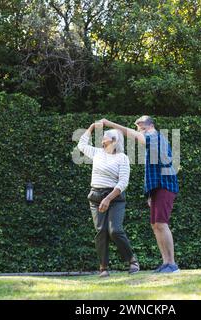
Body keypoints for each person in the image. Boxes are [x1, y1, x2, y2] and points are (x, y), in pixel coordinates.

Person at [100, 116, 180, 273]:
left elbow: (134, 135)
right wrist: (150, 194)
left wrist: (109, 124)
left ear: (148, 126)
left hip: (165, 185)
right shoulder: (153, 140)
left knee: (162, 224)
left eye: (139, 126)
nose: (137, 129)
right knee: (156, 225)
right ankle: (166, 263)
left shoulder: (155, 136)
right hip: (157, 188)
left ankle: (172, 264)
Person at [77, 121, 140, 277]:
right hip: (96, 196)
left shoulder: (122, 158)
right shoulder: (97, 153)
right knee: (101, 231)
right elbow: (81, 144)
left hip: (115, 198)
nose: (102, 139)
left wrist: (108, 199)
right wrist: (91, 127)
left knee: (115, 231)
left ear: (113, 141)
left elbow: (123, 182)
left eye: (104, 137)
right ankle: (103, 268)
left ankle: (132, 260)